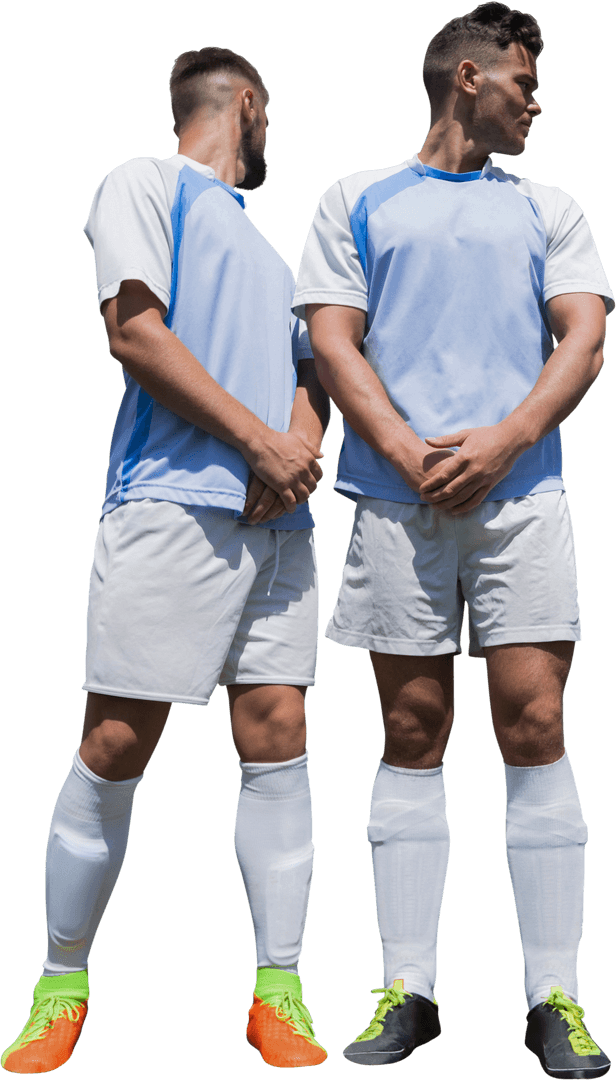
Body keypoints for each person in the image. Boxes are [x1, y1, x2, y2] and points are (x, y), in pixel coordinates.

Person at [293, 3, 612, 1075]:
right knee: (412, 727)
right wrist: (403, 449)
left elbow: (584, 338)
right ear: (468, 78)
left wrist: (505, 440)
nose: (537, 103)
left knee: (535, 722)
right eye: (524, 82)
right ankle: (410, 991)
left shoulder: (550, 208)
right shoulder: (354, 198)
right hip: (398, 504)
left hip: (523, 501)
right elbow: (332, 341)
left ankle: (554, 1000)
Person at [1, 46, 329, 1075]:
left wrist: (298, 448)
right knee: (114, 741)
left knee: (279, 736)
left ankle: (278, 992)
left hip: (278, 528)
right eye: (267, 116)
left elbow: (311, 377)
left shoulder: (274, 256)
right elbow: (135, 334)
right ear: (247, 104)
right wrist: (260, 443)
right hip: (172, 509)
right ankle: (60, 986)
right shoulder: (144, 184)